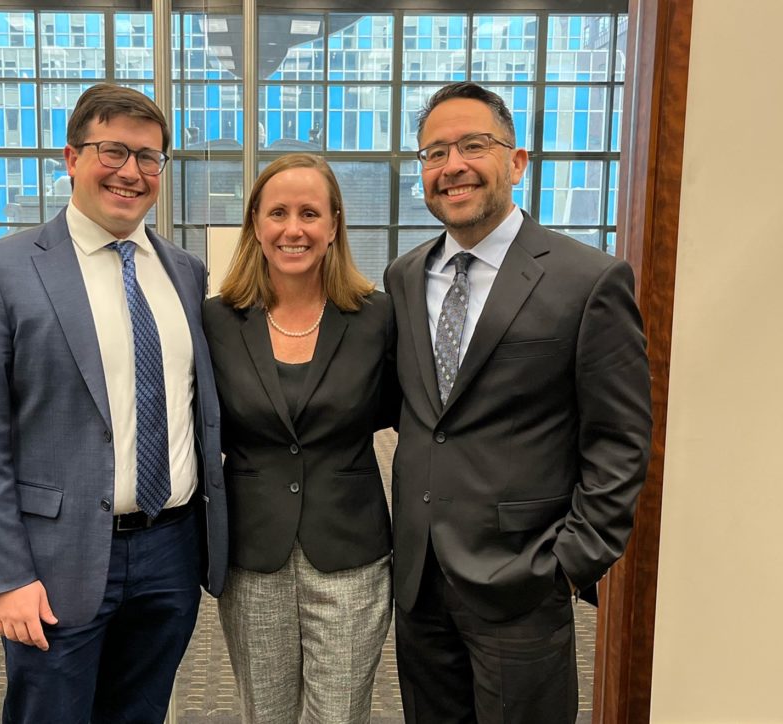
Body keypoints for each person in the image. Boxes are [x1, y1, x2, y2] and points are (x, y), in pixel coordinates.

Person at [0, 83, 227, 724]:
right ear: (71, 157)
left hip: (172, 551)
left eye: (149, 157)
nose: (131, 172)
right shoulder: (0, 269)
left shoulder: (185, 272)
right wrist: (4, 576)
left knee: (141, 713)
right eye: (113, 152)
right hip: (54, 561)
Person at [384, 81, 652, 723]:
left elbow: (620, 439)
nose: (452, 166)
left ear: (517, 161)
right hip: (419, 580)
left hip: (523, 581)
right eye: (434, 152)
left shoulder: (587, 280)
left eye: (473, 145)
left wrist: (570, 562)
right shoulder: (404, 275)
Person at [203, 153, 397, 724]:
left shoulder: (376, 317)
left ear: (334, 225)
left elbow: (408, 415)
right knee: (264, 714)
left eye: (310, 213)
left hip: (350, 557)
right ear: (256, 226)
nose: (294, 229)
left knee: (339, 715)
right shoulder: (217, 320)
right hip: (252, 554)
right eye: (278, 213)